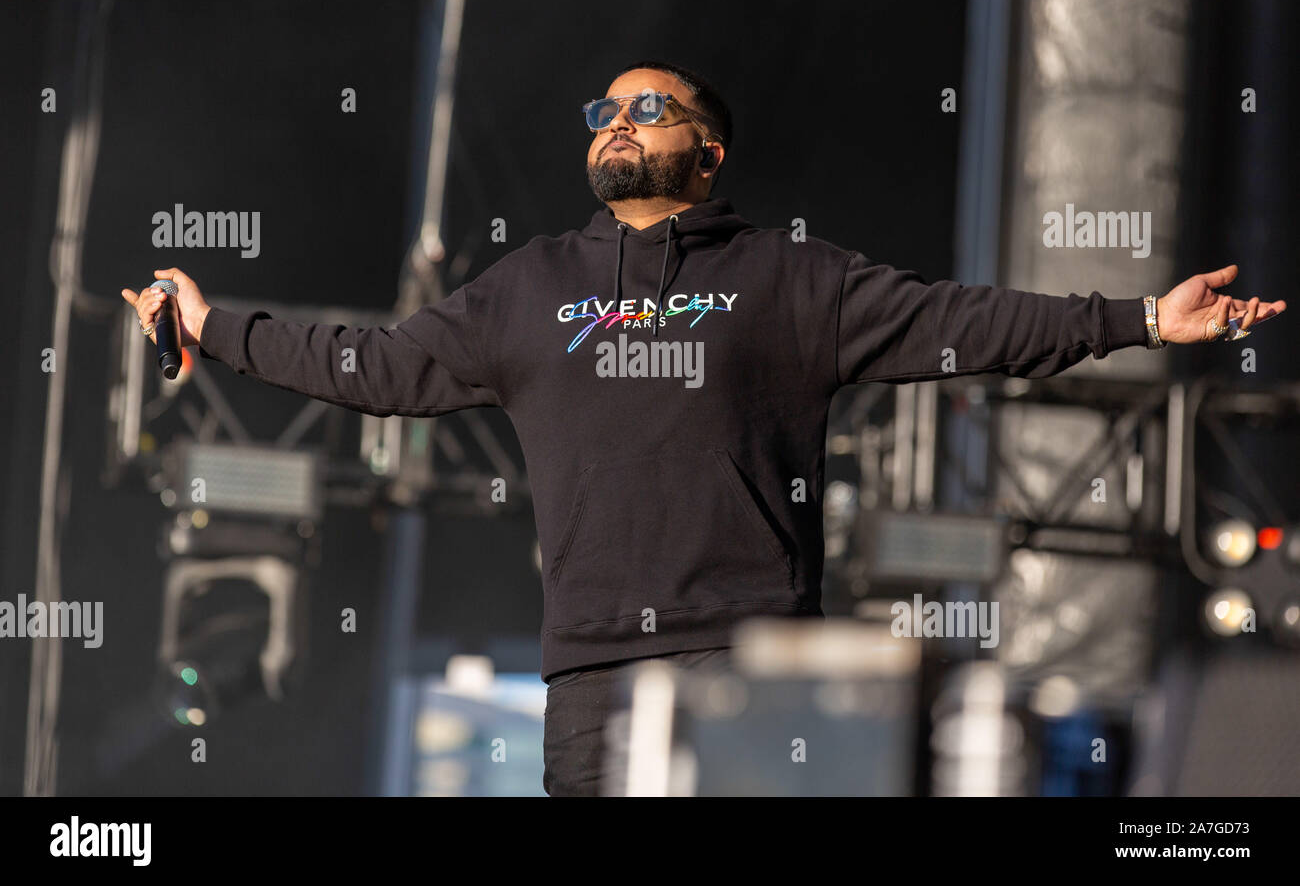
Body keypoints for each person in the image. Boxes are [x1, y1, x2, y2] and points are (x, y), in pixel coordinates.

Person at [122, 59, 1287, 795]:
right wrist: (214, 322)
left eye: (647, 106)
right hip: (589, 679)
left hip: (750, 666)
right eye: (604, 110)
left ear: (706, 151)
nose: (616, 122)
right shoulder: (528, 287)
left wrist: (1136, 315)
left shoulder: (786, 278)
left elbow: (965, 321)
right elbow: (369, 365)